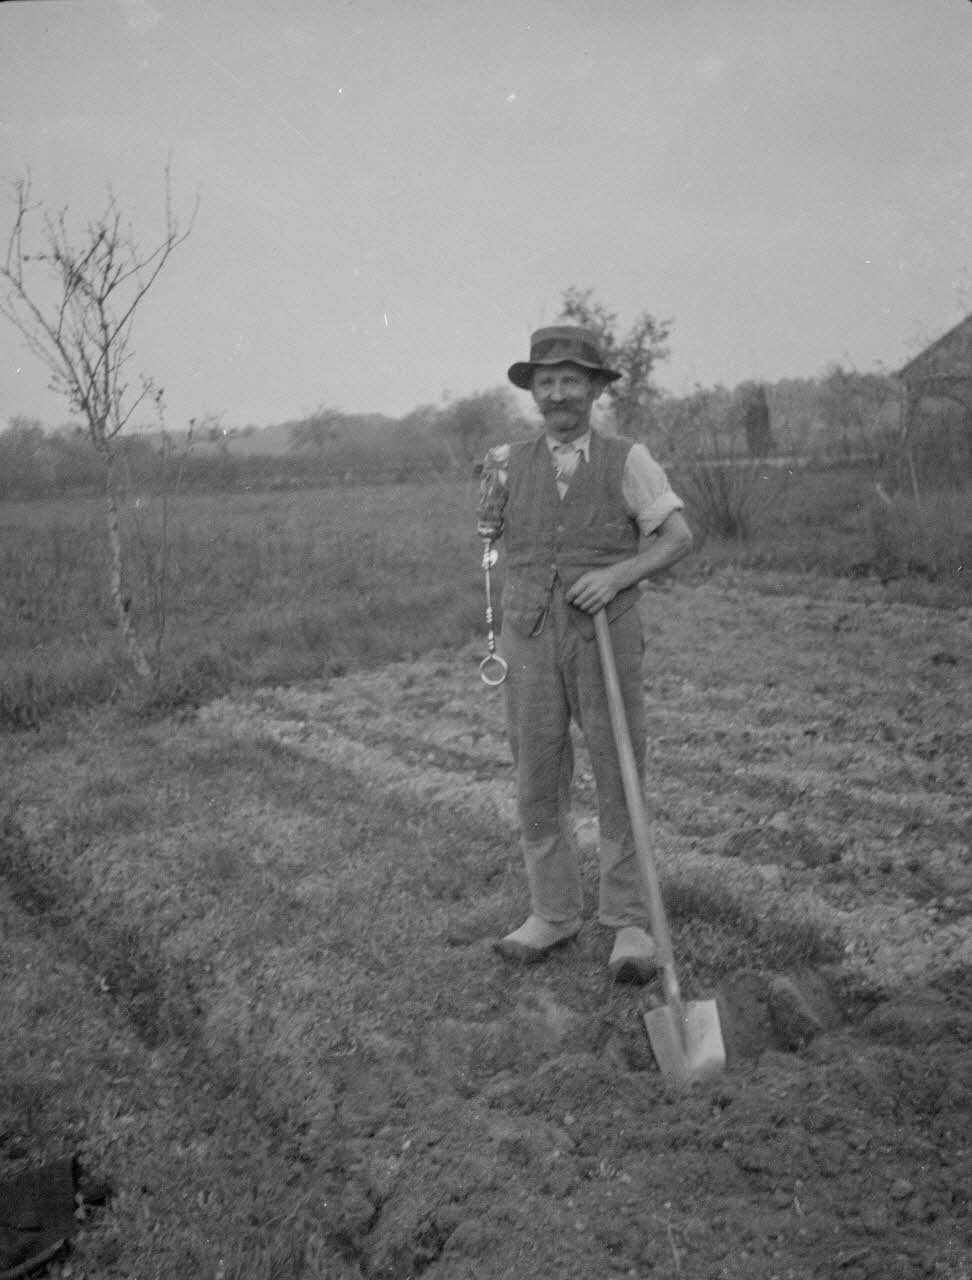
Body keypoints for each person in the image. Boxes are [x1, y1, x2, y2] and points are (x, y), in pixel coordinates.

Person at [477, 324, 693, 982]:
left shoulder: (629, 459)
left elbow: (677, 538)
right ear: (533, 393)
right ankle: (553, 912)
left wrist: (618, 574)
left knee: (618, 768)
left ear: (595, 389)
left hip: (605, 630)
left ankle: (628, 921)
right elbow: (498, 538)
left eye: (571, 380)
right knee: (537, 774)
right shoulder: (505, 462)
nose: (557, 394)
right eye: (546, 382)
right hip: (528, 633)